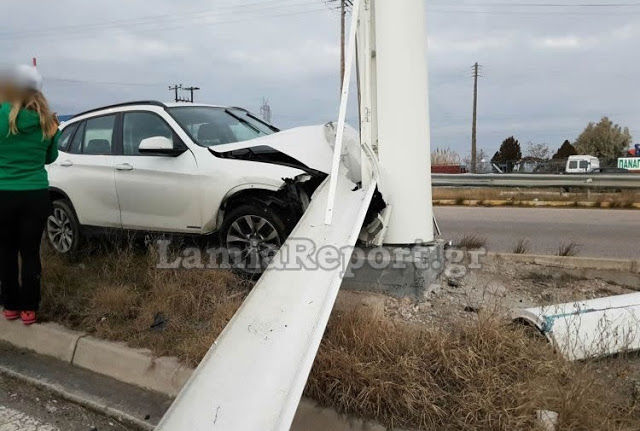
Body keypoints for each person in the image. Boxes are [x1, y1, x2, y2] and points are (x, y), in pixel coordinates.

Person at [0, 65, 60, 325]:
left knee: (6, 251)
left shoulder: (1, 115)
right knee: (31, 253)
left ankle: (10, 306)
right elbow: (51, 157)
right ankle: (29, 309)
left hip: (4, 194)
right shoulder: (48, 121)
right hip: (35, 194)